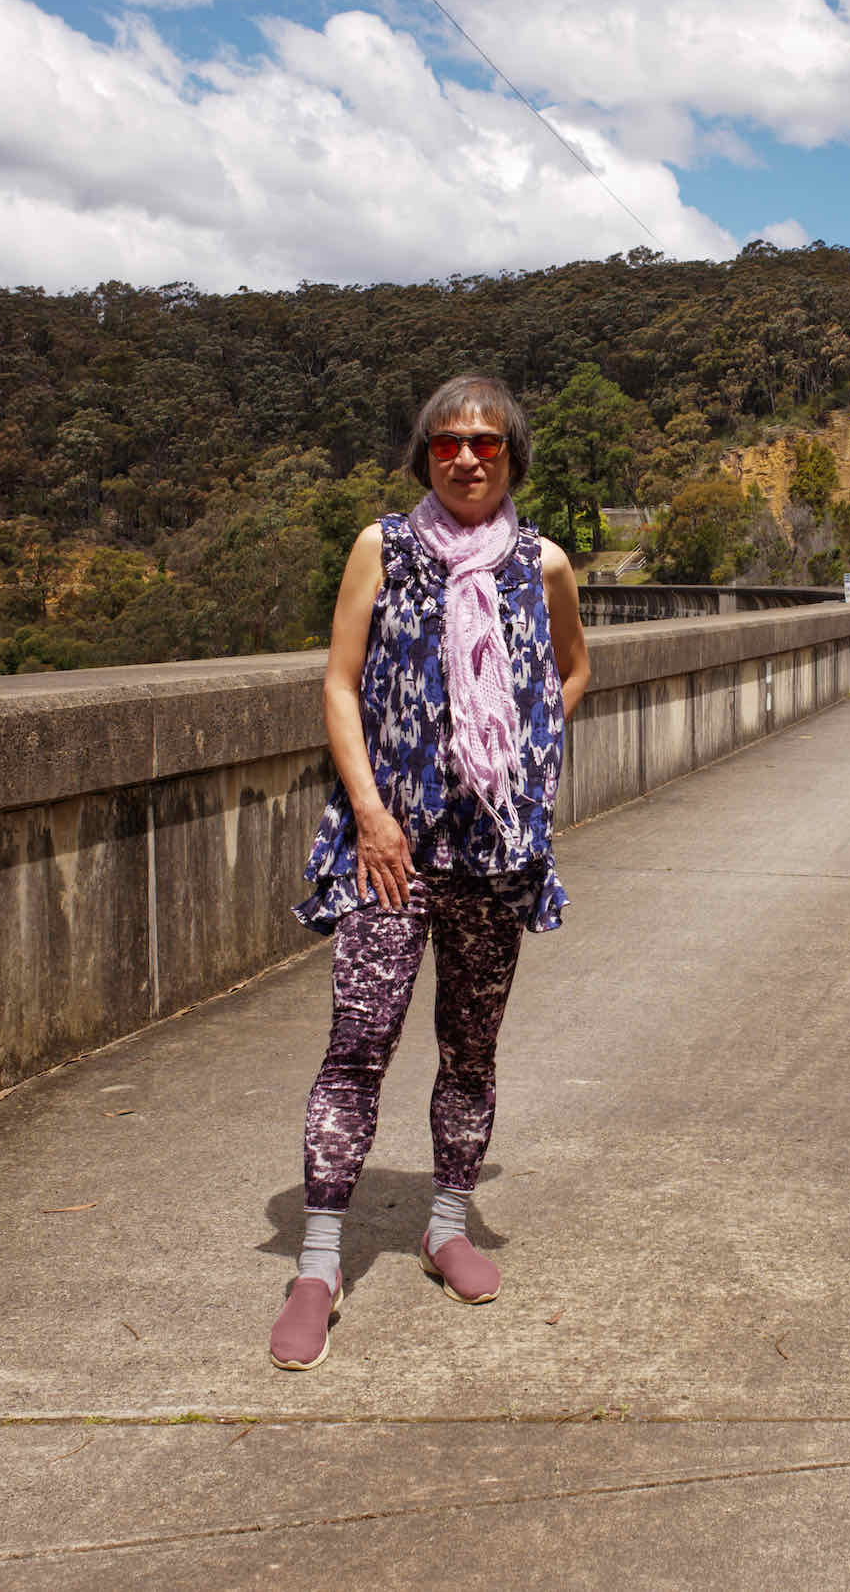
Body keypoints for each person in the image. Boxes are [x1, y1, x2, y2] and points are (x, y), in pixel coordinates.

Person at [269, 374, 590, 1371]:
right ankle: (317, 1263)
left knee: (470, 1050)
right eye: (447, 443)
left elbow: (573, 668)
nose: (465, 458)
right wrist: (368, 814)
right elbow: (338, 681)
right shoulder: (384, 549)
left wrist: (529, 750)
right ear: (422, 456)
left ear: (512, 458)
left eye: (486, 444)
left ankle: (445, 1224)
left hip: (494, 853)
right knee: (356, 1046)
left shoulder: (543, 565)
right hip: (390, 848)